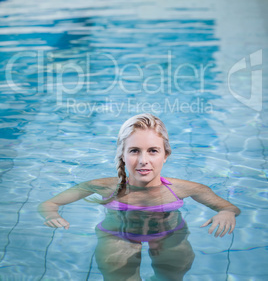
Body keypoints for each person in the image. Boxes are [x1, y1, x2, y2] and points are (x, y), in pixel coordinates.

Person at [38, 113, 241, 281]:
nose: (144, 160)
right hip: (117, 235)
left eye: (153, 151)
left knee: (174, 274)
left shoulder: (185, 188)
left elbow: (229, 208)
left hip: (168, 234)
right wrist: (50, 215)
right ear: (122, 155)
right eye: (134, 151)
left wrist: (226, 214)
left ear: (166, 155)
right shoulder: (103, 186)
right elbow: (50, 203)